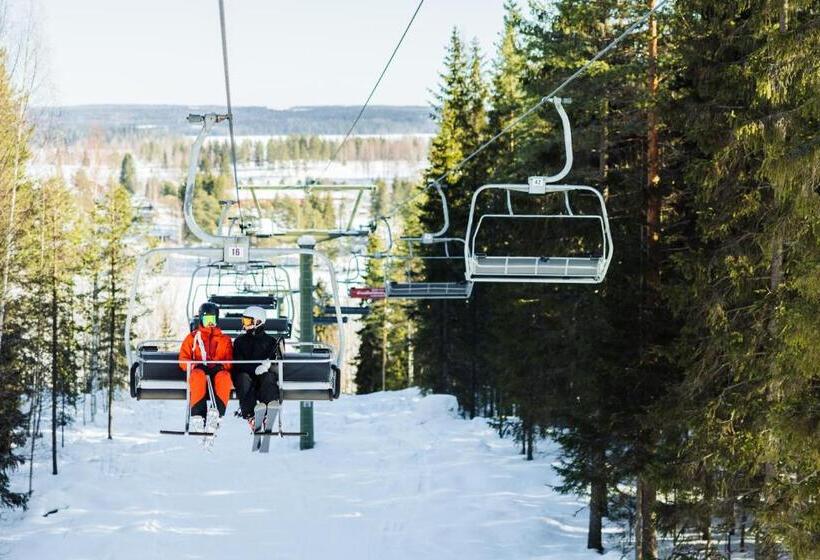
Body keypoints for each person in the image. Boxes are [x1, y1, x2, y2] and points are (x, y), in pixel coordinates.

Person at [178, 302, 233, 429]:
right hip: (200, 371)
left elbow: (230, 361)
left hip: (217, 371)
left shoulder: (225, 340)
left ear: (217, 319)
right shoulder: (192, 338)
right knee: (197, 375)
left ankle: (217, 415)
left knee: (224, 377)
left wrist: (221, 366)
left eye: (212, 320)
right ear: (201, 319)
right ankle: (198, 416)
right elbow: (183, 360)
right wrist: (194, 366)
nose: (209, 323)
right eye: (206, 319)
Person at [231, 305, 284, 429]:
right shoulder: (239, 342)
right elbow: (238, 364)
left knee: (268, 378)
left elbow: (275, 362)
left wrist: (269, 365)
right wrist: (255, 368)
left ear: (258, 321)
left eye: (248, 321)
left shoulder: (270, 342)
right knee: (242, 379)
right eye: (243, 321)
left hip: (262, 378)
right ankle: (251, 415)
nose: (245, 324)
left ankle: (268, 410)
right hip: (246, 376)